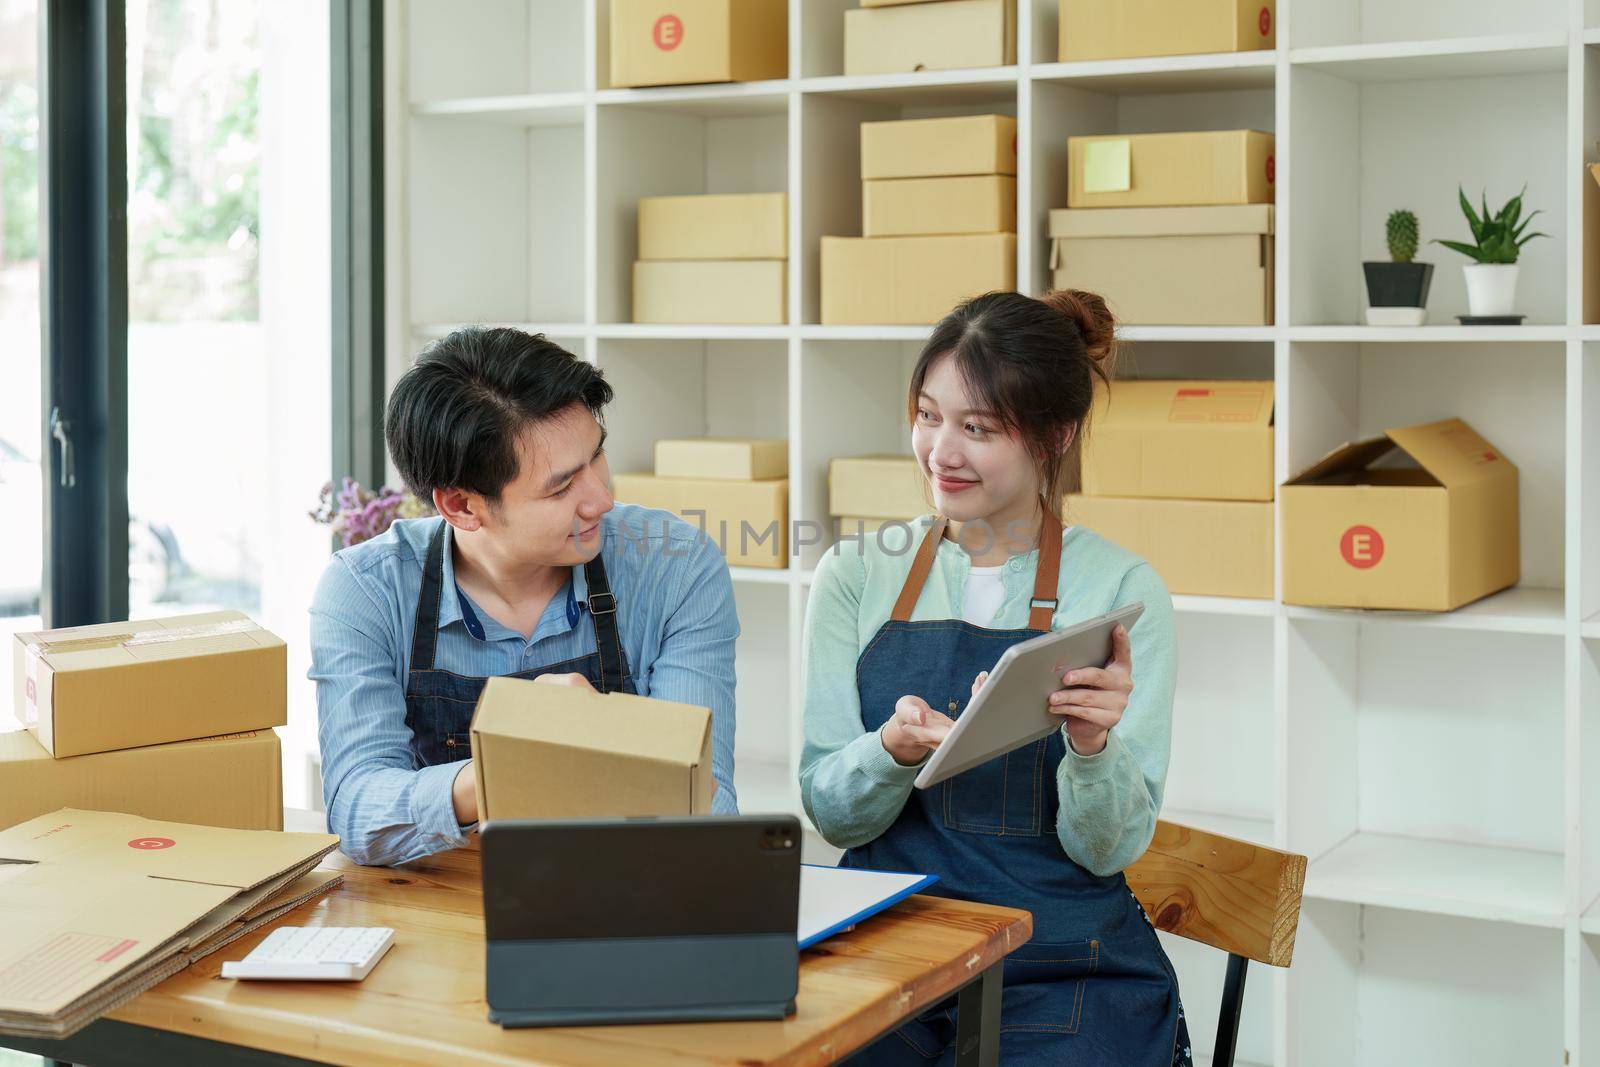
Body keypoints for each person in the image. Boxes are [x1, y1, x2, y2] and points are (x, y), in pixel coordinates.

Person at [800, 290, 1190, 1066]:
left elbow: (1109, 848)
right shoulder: (853, 574)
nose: (941, 450)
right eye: (928, 414)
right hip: (890, 945)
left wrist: (1091, 744)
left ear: (1056, 434)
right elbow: (832, 815)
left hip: (1060, 964)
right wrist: (890, 750)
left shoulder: (1117, 589)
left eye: (977, 428)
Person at [311, 326, 740, 866]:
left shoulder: (676, 564)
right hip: (440, 900)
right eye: (561, 488)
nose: (602, 500)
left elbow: (712, 808)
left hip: (629, 887)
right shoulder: (367, 590)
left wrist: (600, 736)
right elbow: (356, 813)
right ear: (462, 506)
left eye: (597, 456)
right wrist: (508, 764)